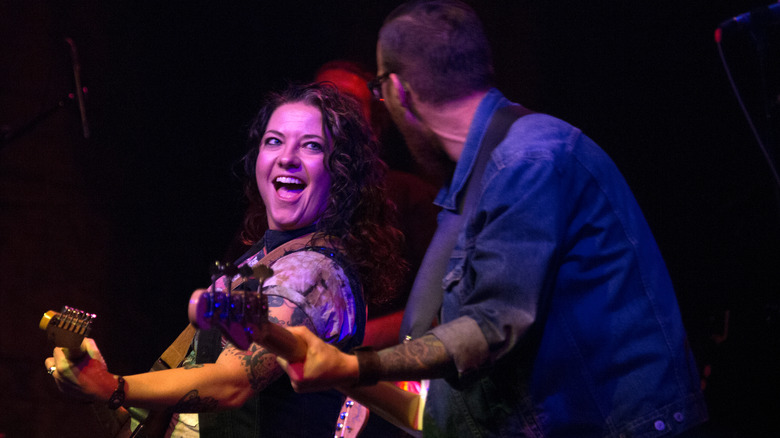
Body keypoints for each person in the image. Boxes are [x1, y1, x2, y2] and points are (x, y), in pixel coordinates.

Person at [276, 1, 710, 437]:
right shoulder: (477, 176)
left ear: (397, 91)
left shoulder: (528, 160)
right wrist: (346, 371)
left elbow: (490, 326)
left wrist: (355, 363)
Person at [44, 82, 404, 437]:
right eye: (274, 141)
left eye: (311, 146)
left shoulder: (313, 270)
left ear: (340, 171)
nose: (287, 157)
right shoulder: (263, 258)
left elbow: (232, 384)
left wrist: (114, 387)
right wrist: (96, 386)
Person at [314, 59, 439, 349]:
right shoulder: (281, 197)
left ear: (374, 128)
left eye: (346, 104)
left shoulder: (414, 198)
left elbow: (443, 311)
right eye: (317, 101)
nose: (329, 114)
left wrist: (341, 349)